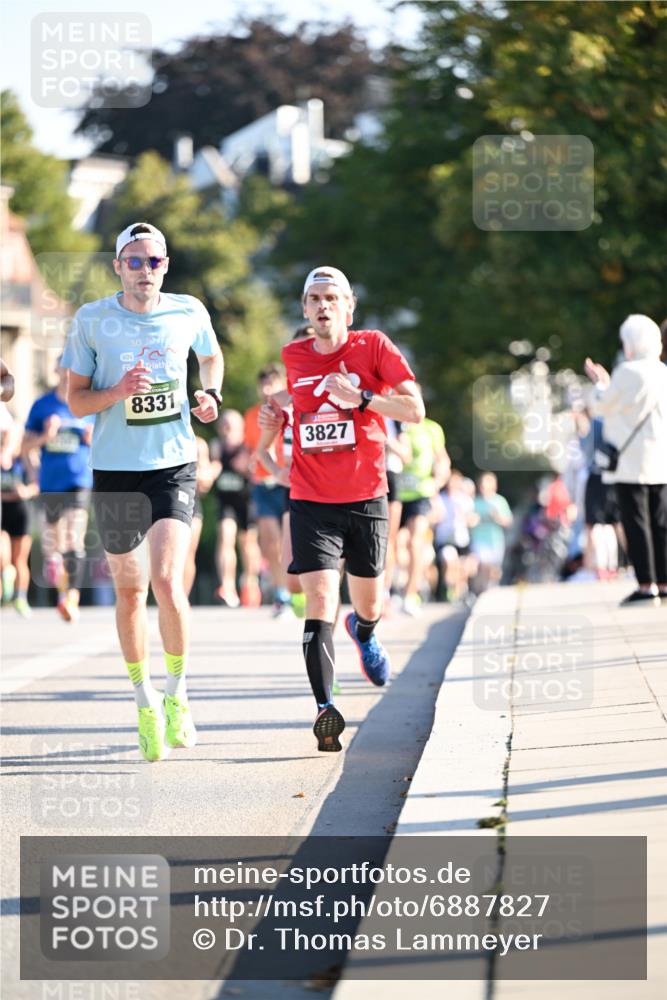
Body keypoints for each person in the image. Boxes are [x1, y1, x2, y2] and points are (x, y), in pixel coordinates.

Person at [62, 221, 223, 761]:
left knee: (167, 580)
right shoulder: (92, 320)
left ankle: (178, 693)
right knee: (130, 591)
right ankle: (144, 702)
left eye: (154, 261)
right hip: (114, 470)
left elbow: (211, 357)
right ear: (118, 267)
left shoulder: (188, 311)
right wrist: (117, 392)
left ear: (166, 266)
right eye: (134, 261)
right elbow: (76, 401)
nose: (145, 270)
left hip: (173, 463)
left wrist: (212, 394)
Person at [262, 265, 424, 752]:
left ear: (349, 307)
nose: (323, 306)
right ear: (305, 309)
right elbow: (297, 396)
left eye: (332, 297)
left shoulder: (373, 347)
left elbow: (415, 410)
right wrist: (274, 412)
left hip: (366, 496)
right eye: (315, 298)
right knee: (319, 600)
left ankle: (365, 631)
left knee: (369, 603)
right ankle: (324, 708)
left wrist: (364, 398)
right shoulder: (294, 355)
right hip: (311, 500)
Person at [585, 314, 667, 605]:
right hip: (660, 459)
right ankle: (664, 581)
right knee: (661, 522)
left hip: (631, 462)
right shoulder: (662, 371)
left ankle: (646, 584)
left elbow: (601, 405)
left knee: (636, 523)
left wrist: (600, 383)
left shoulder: (627, 372)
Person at [22, 359, 94, 621]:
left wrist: (93, 438)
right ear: (56, 371)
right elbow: (24, 447)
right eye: (63, 368)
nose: (67, 373)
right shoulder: (42, 406)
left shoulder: (87, 403)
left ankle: (72, 597)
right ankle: (62, 593)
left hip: (80, 480)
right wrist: (45, 436)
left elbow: (107, 442)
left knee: (74, 536)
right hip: (51, 483)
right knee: (53, 546)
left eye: (72, 368)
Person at [244, 365, 292, 616]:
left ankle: (296, 589)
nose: (267, 389)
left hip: (287, 483)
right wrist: (248, 461)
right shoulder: (251, 415)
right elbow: (251, 447)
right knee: (271, 542)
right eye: (263, 384)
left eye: (272, 383)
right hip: (262, 483)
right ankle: (281, 593)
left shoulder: (290, 408)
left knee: (290, 542)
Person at [397, 413, 450, 615]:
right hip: (394, 491)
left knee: (415, 542)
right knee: (394, 546)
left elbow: (442, 460)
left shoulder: (431, 428)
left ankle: (410, 594)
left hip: (421, 492)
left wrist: (437, 482)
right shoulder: (392, 422)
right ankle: (392, 588)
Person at [209, 408, 260, 607]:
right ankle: (227, 585)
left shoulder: (247, 447)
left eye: (230, 424)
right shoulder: (217, 446)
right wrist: (209, 473)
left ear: (240, 427)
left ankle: (250, 583)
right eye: (224, 424)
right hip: (226, 501)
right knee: (225, 536)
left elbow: (256, 472)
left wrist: (248, 468)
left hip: (246, 501)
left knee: (248, 543)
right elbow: (213, 467)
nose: (226, 428)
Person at [1, 415, 38, 615]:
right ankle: (6, 578)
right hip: (2, 507)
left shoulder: (24, 457)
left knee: (20, 560)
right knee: (3, 555)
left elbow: (35, 485)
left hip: (21, 510)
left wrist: (25, 491)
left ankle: (20, 597)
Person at [184, 436, 217, 597]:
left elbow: (206, 482)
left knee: (188, 553)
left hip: (191, 502)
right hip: (161, 501)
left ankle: (182, 598)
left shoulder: (198, 443)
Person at [470, 472, 513, 591]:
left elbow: (508, 521)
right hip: (480, 539)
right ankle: (481, 590)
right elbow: (469, 521)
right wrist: (473, 521)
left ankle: (491, 588)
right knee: (484, 563)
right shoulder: (475, 502)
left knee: (495, 570)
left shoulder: (499, 501)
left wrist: (497, 517)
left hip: (496, 540)